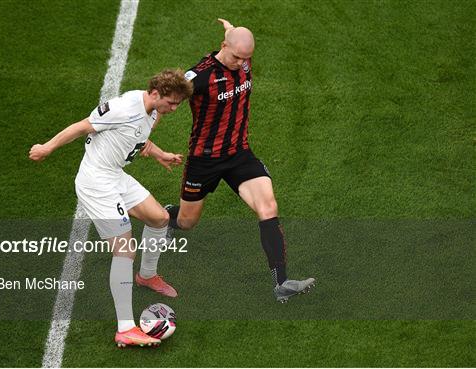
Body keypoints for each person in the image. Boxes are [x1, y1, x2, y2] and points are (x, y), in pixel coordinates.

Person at [145, 19, 315, 303]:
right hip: (204, 160)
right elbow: (165, 100)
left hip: (239, 154)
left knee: (268, 206)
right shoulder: (199, 76)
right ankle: (169, 217)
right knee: (188, 222)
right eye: (236, 56)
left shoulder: (242, 60)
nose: (241, 63)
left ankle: (282, 282)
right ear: (225, 47)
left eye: (246, 58)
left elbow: (235, 41)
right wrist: (145, 137)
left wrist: (230, 30)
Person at [29, 69, 193, 346]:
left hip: (115, 176)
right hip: (96, 182)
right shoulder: (123, 108)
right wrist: (47, 147)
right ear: (155, 93)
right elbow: (82, 126)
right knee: (125, 249)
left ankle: (147, 276)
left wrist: (159, 154)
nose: (175, 108)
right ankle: (126, 328)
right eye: (172, 102)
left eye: (178, 104)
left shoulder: (153, 112)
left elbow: (138, 140)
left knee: (159, 218)